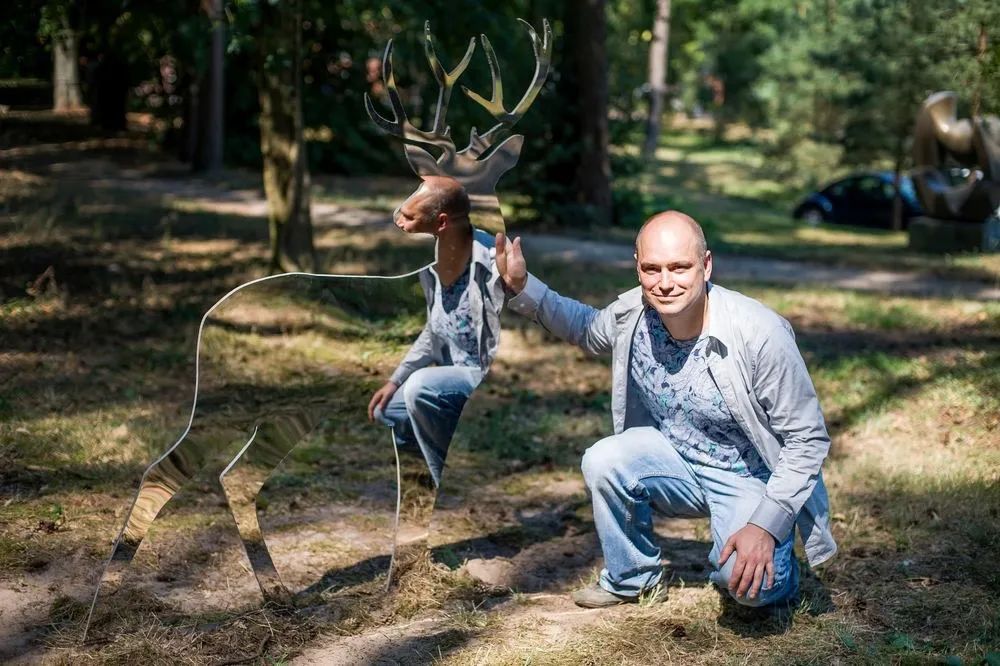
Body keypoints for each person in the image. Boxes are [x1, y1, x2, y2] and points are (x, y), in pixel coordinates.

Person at [495, 212, 837, 609]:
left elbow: (807, 439)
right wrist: (522, 285)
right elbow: (586, 329)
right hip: (676, 461)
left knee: (748, 588)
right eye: (652, 268)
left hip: (751, 478)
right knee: (604, 459)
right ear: (637, 266)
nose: (665, 282)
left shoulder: (760, 333)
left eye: (679, 267)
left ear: (706, 265)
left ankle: (781, 572)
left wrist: (766, 526)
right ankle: (632, 578)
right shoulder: (635, 313)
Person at [367, 176, 504, 487]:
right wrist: (394, 380)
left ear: (441, 222)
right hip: (450, 372)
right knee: (388, 410)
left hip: (480, 375)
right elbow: (435, 330)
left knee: (420, 388)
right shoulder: (436, 265)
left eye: (409, 217)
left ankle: (441, 483)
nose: (399, 222)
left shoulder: (493, 264)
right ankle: (417, 481)